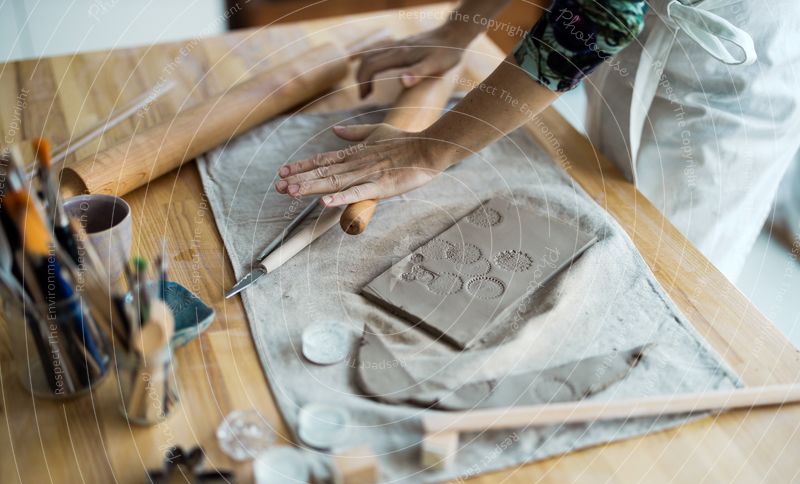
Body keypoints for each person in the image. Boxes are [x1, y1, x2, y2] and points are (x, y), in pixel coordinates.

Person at [276, 0, 800, 280]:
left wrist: (429, 150)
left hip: (729, 66)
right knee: (601, 194)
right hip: (636, 27)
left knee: (670, 266)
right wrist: (454, 35)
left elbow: (605, 15)